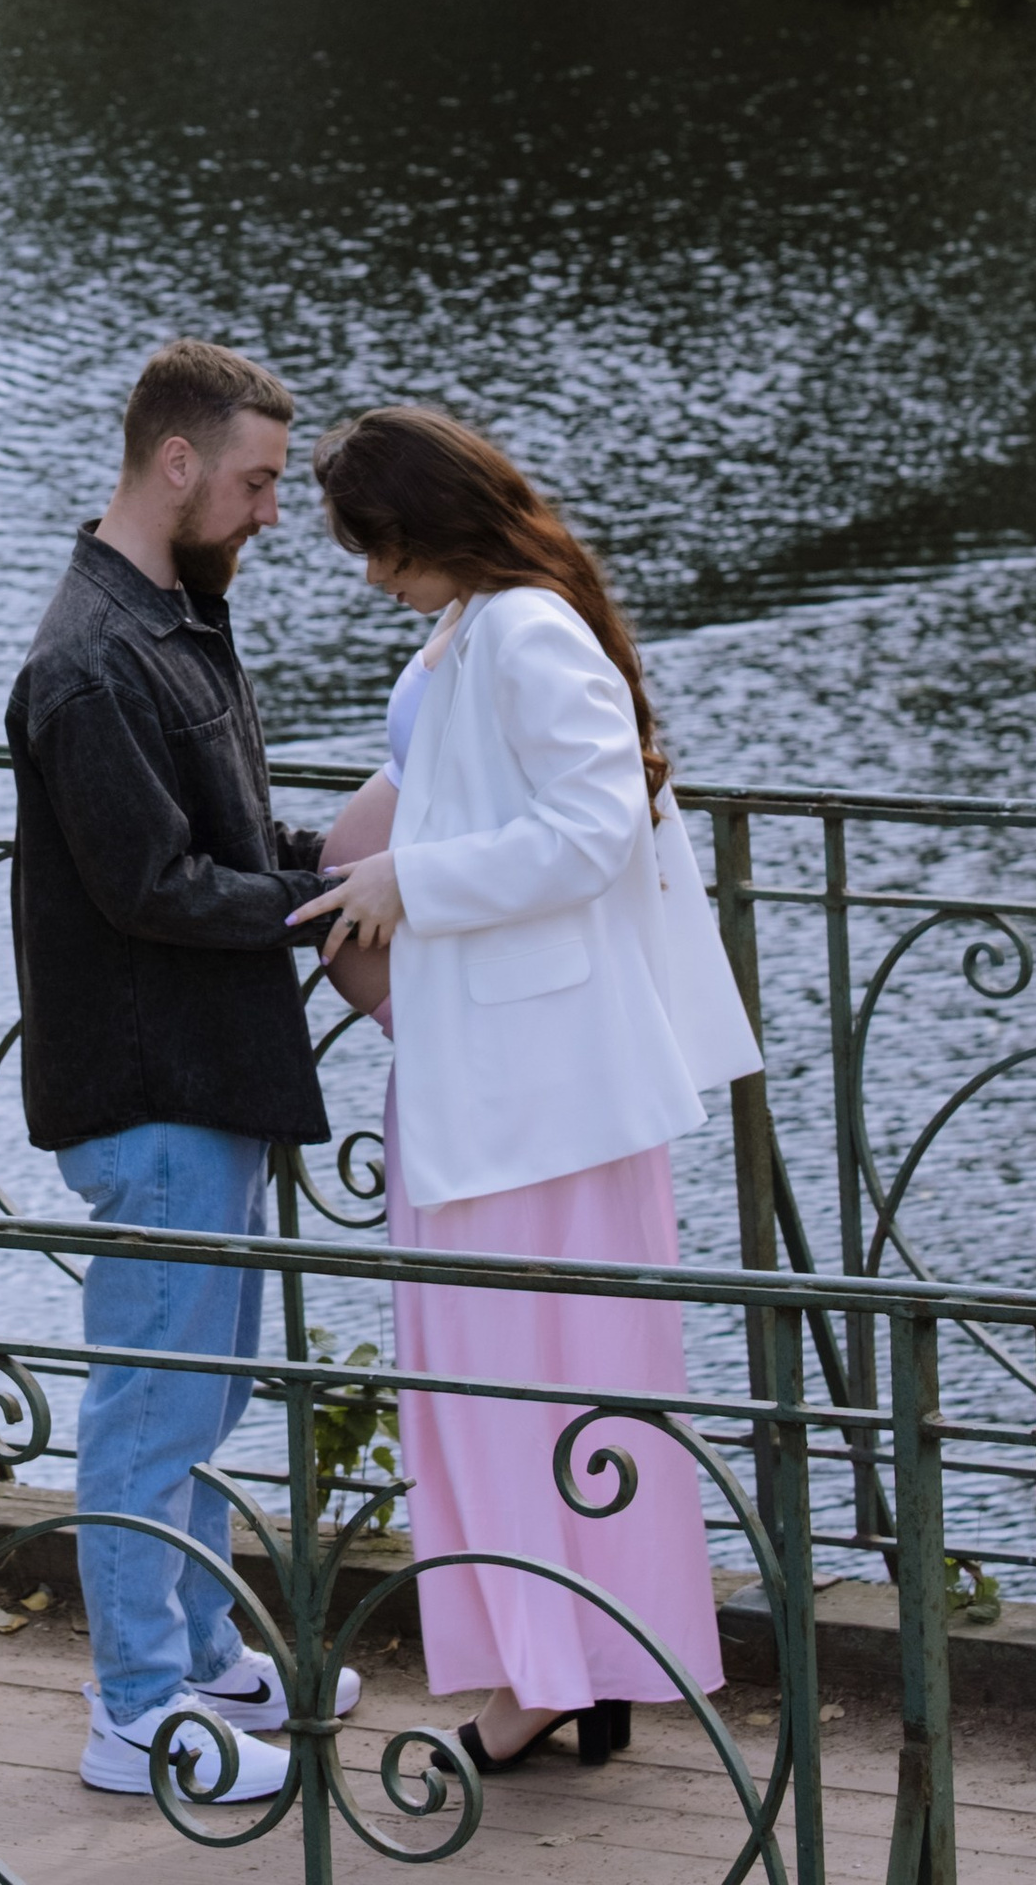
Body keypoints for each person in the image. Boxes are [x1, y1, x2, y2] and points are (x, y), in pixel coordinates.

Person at [290, 406, 761, 1779]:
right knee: (503, 1384)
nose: (370, 574)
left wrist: (406, 883)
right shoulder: (468, 632)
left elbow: (591, 826)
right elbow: (457, 792)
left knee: (527, 1388)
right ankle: (569, 1666)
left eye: (376, 545)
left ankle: (553, 1673)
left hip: (535, 1097)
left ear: (430, 523)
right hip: (491, 1079)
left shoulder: (527, 630)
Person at [8, 340, 361, 1805]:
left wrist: (322, 858)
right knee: (152, 1407)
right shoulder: (87, 661)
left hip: (205, 1076)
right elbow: (153, 884)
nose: (274, 512)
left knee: (202, 1400)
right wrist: (326, 902)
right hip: (154, 1092)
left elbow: (215, 838)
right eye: (258, 482)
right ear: (176, 465)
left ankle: (205, 1652)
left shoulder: (171, 614)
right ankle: (137, 1711)